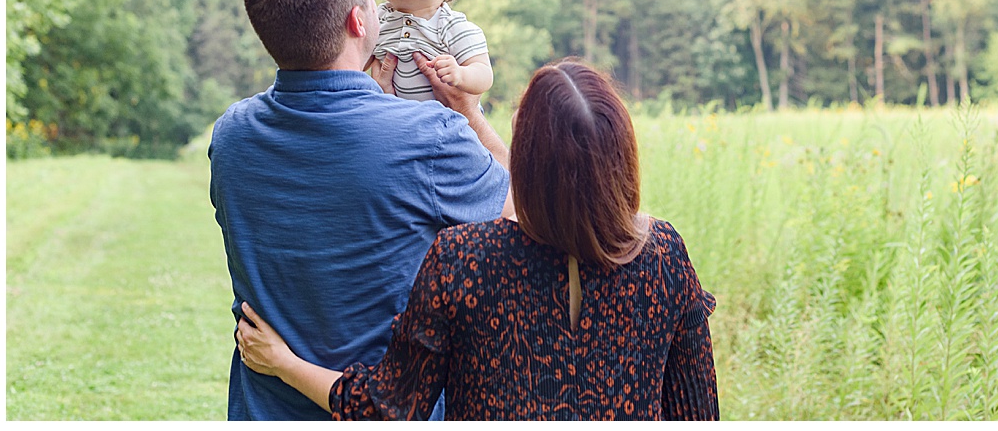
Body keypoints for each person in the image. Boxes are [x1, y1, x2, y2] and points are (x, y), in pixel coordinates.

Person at [235, 59, 720, 421]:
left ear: (526, 157)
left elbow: (388, 409)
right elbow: (698, 418)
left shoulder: (464, 261)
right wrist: (469, 111)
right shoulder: (663, 255)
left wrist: (284, 363)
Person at [209, 0, 514, 421]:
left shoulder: (232, 136)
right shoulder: (430, 136)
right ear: (358, 21)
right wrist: (471, 116)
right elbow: (520, 215)